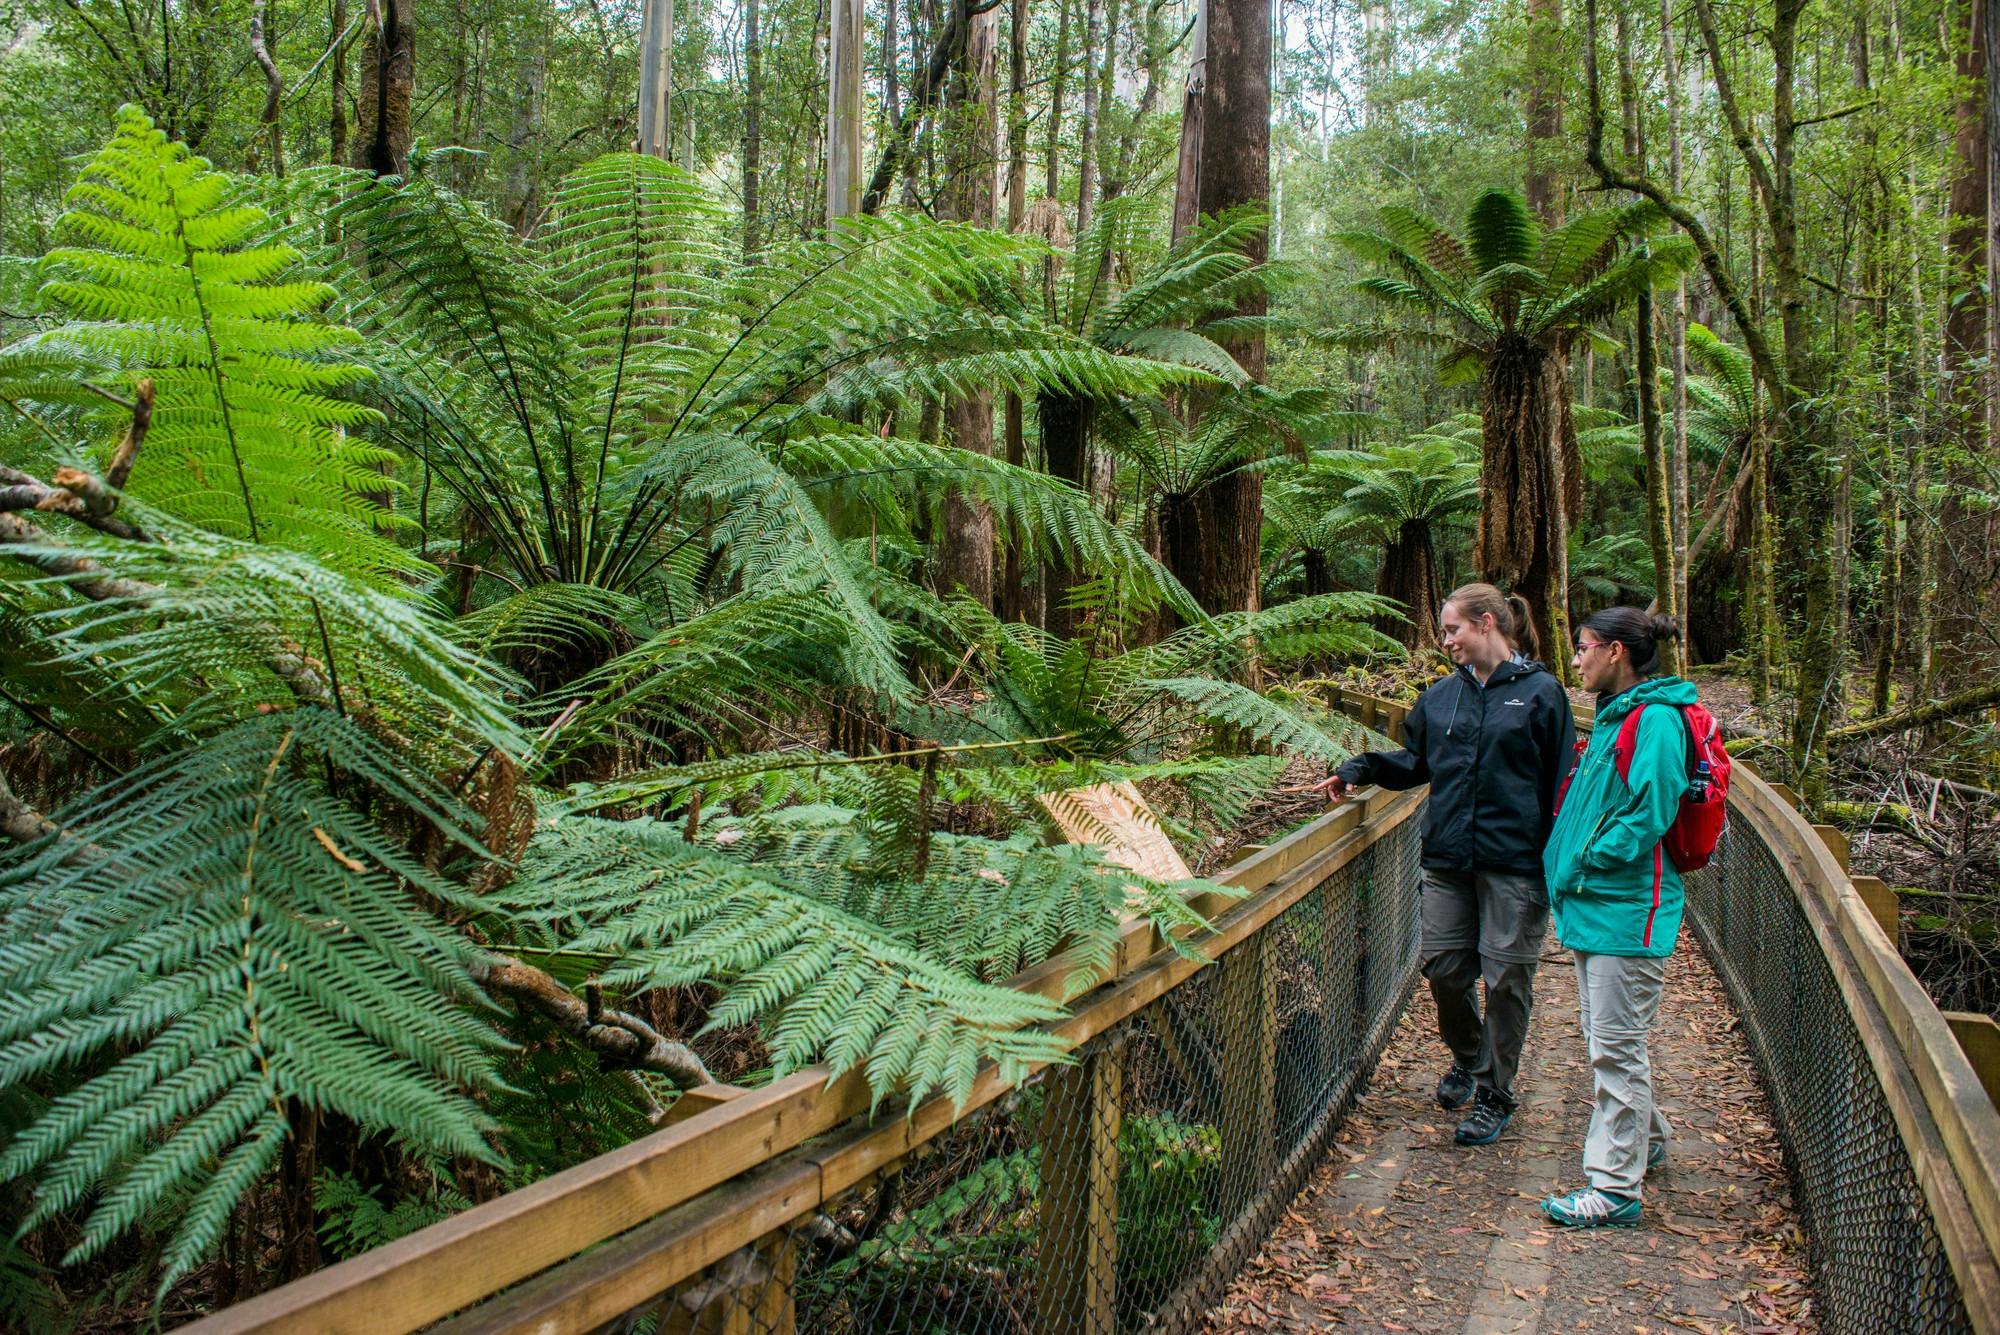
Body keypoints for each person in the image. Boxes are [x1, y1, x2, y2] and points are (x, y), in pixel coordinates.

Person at [1314, 583, 1575, 1147]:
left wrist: (1558, 861)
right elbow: (1417, 763)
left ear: (1486, 624)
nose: (1446, 640)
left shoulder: (1541, 694)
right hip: (1449, 859)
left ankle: (1494, 1093)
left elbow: (1561, 784)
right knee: (1445, 970)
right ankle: (1472, 1057)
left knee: (1506, 980)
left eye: (1453, 629)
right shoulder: (1438, 699)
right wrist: (1360, 768)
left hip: (1515, 865)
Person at [1539, 609, 1697, 1229]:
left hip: (1627, 908)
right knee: (1608, 1041)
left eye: (1582, 648)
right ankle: (1644, 1141)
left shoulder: (1655, 720)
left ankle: (1614, 1188)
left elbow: (1651, 810)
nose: (1575, 659)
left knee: (1616, 1051)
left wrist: (1587, 858)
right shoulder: (1616, 717)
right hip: (1598, 906)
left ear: (1616, 653)